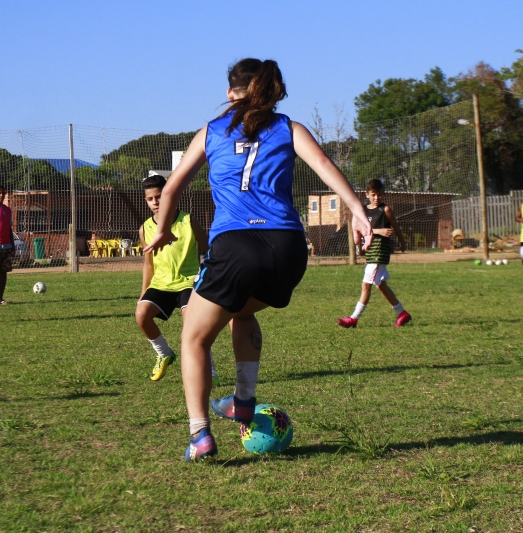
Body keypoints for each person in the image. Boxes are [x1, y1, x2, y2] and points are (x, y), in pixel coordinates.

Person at [144, 58, 373, 461]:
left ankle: (200, 434)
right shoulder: (289, 128)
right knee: (243, 310)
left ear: (230, 93)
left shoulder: (212, 131)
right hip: (289, 248)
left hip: (237, 245)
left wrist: (162, 229)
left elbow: (173, 186)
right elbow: (323, 165)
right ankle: (243, 402)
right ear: (271, 92)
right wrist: (356, 210)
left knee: (194, 338)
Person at [135, 175, 219, 384]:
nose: (155, 202)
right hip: (161, 284)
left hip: (189, 282)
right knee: (141, 315)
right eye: (150, 199)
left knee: (193, 326)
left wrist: (210, 279)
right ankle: (164, 353)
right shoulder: (145, 228)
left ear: (169, 195)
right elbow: (148, 264)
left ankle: (209, 371)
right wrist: (144, 291)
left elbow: (210, 251)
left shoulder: (188, 221)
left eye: (159, 197)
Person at [337, 179, 411, 329]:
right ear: (367, 195)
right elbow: (362, 229)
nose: (377, 198)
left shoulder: (385, 210)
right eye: (373, 195)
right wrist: (376, 233)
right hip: (371, 253)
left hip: (379, 253)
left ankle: (353, 318)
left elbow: (396, 227)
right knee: (380, 285)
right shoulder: (363, 211)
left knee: (366, 285)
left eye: (379, 194)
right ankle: (402, 313)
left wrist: (403, 244)